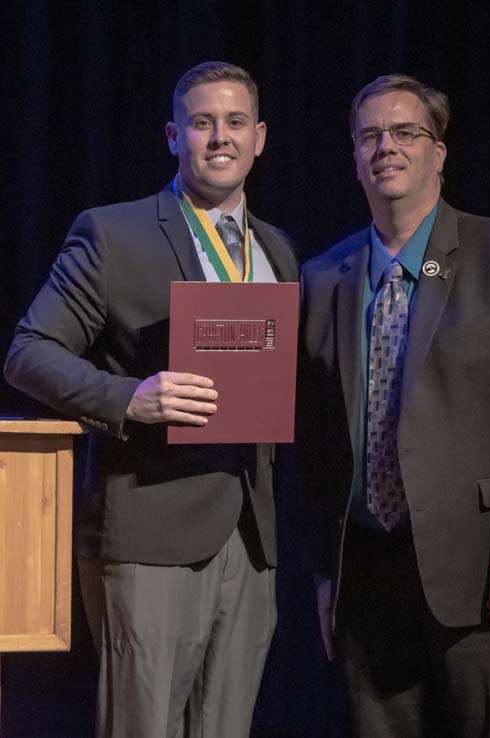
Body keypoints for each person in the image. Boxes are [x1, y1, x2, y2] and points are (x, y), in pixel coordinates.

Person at [4, 61, 298, 738]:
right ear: (174, 136)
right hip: (148, 530)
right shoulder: (113, 233)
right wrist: (128, 397)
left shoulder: (277, 250)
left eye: (233, 123)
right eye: (201, 123)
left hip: (250, 540)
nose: (217, 138)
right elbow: (28, 350)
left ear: (260, 138)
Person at [298, 74, 490, 738]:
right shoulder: (323, 277)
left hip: (488, 579)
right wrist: (324, 571)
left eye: (405, 133)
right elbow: (315, 446)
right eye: (369, 135)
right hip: (368, 581)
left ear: (439, 152)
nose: (385, 148)